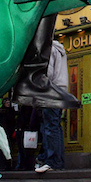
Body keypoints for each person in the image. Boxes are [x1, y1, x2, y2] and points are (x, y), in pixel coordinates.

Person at [34, 40, 69, 173]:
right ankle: (53, 160)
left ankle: (52, 161)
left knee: (50, 127)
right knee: (54, 126)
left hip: (50, 91)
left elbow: (47, 75)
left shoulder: (48, 49)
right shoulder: (59, 49)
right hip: (60, 91)